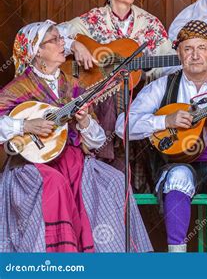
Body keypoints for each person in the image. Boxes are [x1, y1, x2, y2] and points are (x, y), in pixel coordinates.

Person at [0, 21, 152, 252]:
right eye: (55, 40)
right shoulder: (19, 87)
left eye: (62, 39)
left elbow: (98, 141)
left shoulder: (73, 86)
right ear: (37, 50)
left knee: (115, 180)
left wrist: (84, 121)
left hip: (72, 161)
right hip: (31, 165)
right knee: (54, 184)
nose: (63, 43)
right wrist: (25, 125)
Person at [116, 20, 207, 252]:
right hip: (175, 163)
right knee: (179, 176)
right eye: (188, 49)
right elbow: (122, 126)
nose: (195, 55)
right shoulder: (162, 87)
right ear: (179, 53)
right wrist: (164, 121)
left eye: (201, 48)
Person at [58, 0, 178, 190]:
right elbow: (46, 36)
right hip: (96, 106)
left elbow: (169, 63)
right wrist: (74, 45)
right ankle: (101, 168)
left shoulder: (149, 24)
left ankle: (131, 186)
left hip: (138, 102)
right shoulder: (91, 21)